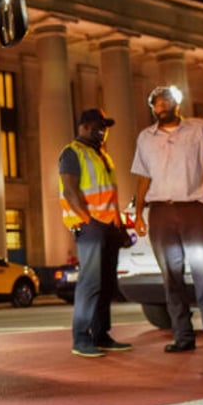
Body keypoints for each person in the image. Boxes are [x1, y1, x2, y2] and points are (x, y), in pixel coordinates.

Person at [131, 85, 203, 356]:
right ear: (152, 108)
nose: (160, 106)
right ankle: (183, 335)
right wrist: (138, 212)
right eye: (155, 103)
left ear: (176, 103)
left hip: (193, 211)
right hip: (160, 214)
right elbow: (142, 177)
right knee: (171, 276)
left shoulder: (199, 129)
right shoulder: (145, 138)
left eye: (165, 101)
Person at [59, 108, 133, 358]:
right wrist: (88, 220)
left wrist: (119, 225)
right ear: (83, 127)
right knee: (90, 284)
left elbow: (109, 194)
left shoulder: (101, 154)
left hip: (109, 226)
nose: (103, 131)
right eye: (97, 126)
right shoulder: (73, 153)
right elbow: (70, 191)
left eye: (105, 127)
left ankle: (101, 335)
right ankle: (81, 338)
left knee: (105, 283)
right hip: (90, 226)